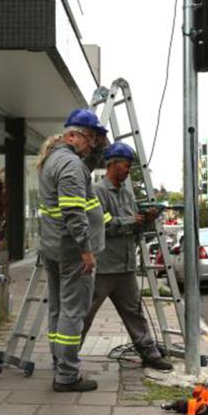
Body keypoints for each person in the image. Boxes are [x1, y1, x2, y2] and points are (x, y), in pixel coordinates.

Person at [82, 142, 173, 371]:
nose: (128, 169)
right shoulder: (98, 192)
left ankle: (149, 353)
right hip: (103, 267)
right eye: (125, 165)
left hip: (125, 267)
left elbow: (134, 229)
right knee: (85, 315)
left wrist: (147, 219)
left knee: (134, 313)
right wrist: (132, 220)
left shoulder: (127, 194)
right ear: (112, 164)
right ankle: (66, 358)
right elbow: (101, 225)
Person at [36, 108, 109, 392]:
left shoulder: (56, 159)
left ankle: (59, 364)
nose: (92, 144)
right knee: (73, 312)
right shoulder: (69, 165)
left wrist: (98, 143)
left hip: (55, 248)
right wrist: (86, 251)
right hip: (72, 252)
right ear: (72, 136)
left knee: (58, 310)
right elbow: (73, 212)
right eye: (89, 138)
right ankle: (67, 374)